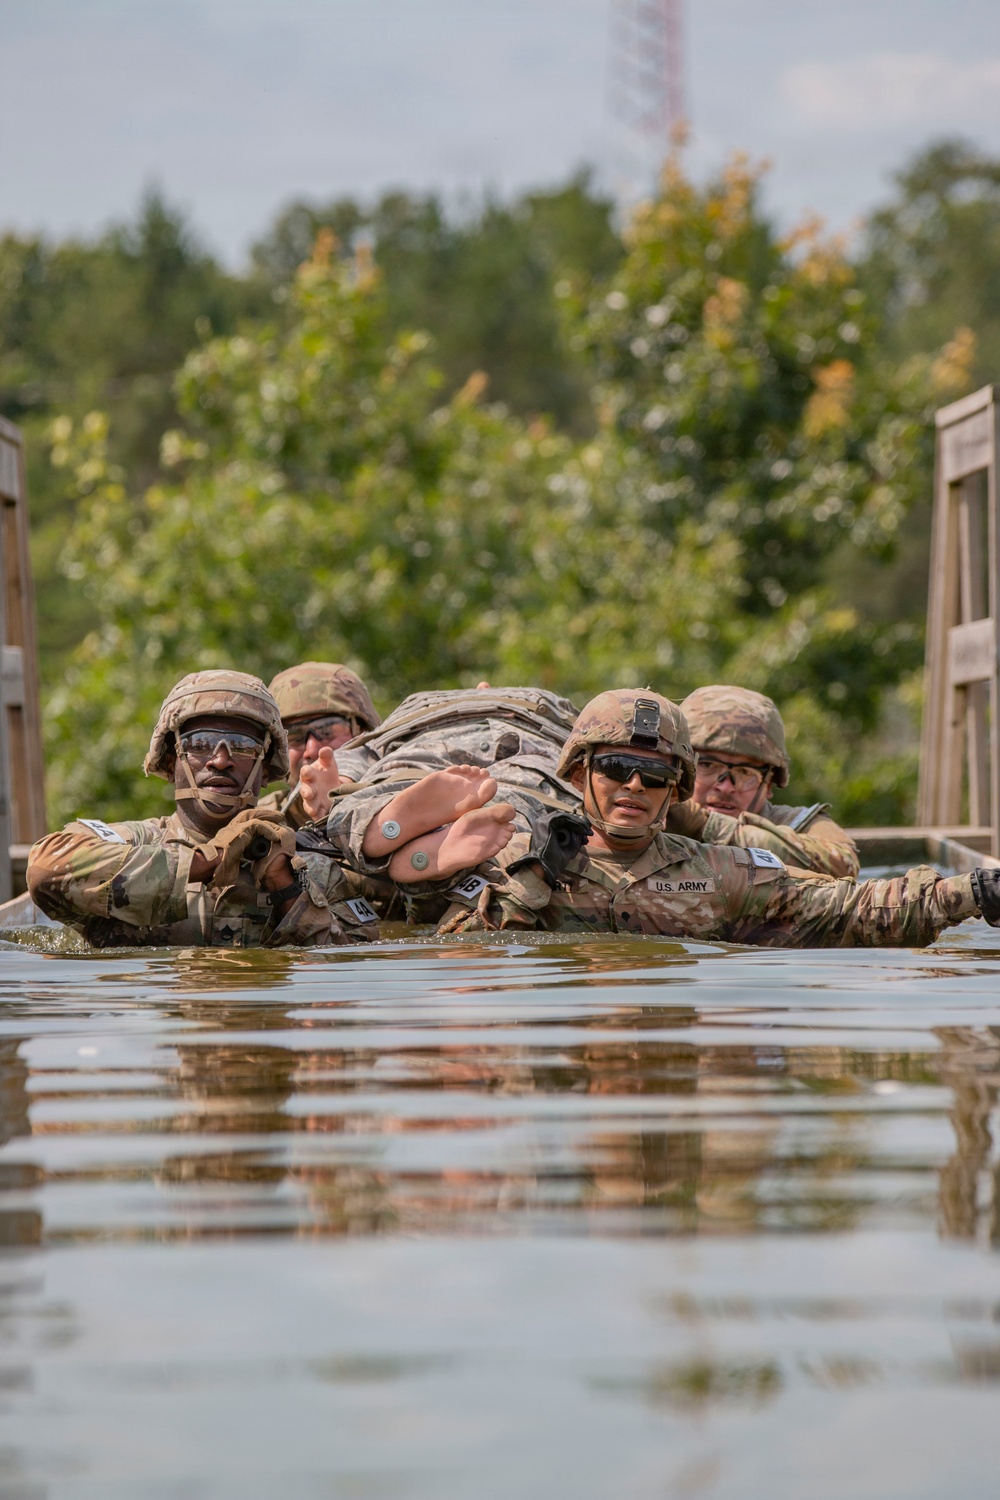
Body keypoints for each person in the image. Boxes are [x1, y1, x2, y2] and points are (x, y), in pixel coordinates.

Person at [437, 688, 1000, 947]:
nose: (635, 785)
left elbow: (846, 911)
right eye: (616, 767)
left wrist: (972, 892)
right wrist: (528, 881)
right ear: (581, 771)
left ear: (676, 789)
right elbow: (459, 960)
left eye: (655, 775)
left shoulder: (724, 873)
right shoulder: (510, 854)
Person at [26, 671, 383, 948]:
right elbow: (44, 870)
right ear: (170, 762)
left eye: (242, 747)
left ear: (265, 772)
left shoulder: (311, 872)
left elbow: (354, 967)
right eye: (201, 743)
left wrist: (283, 885)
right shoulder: (133, 843)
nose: (221, 760)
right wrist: (207, 860)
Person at [324, 687, 583, 901]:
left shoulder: (417, 703)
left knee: (375, 792)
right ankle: (432, 857)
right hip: (530, 749)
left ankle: (381, 825)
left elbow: (361, 750)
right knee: (514, 811)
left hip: (421, 747)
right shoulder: (547, 703)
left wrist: (341, 781)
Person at [669, 685, 859, 879]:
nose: (725, 787)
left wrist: (707, 826)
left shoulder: (794, 824)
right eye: (707, 765)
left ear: (768, 784)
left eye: (745, 772)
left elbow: (845, 865)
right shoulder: (652, 814)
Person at [258, 661, 380, 829]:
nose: (312, 749)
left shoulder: (402, 801)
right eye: (293, 735)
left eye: (327, 731)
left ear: (362, 731)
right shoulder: (260, 822)